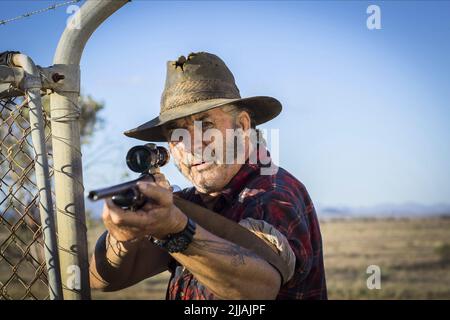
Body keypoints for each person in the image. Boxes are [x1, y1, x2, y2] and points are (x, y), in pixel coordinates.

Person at [89, 52, 327, 300]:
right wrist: (122, 237)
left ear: (243, 126)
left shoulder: (272, 193)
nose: (191, 144)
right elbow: (101, 280)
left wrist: (176, 230)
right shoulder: (190, 203)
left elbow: (258, 289)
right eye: (177, 133)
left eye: (206, 124)